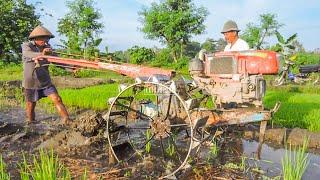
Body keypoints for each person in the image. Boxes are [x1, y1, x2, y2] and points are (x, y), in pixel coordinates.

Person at [22, 25, 70, 125]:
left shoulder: (48, 49)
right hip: (30, 82)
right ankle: (31, 124)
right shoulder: (27, 46)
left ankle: (67, 120)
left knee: (57, 99)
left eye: (47, 38)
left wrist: (71, 68)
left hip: (45, 81)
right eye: (44, 38)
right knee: (30, 105)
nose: (46, 40)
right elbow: (28, 55)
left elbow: (57, 61)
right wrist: (42, 54)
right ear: (36, 38)